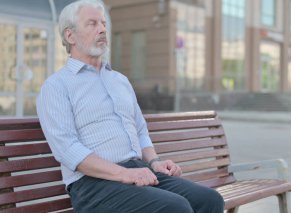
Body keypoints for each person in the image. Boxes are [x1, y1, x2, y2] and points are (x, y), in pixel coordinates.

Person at [36, 0, 224, 212]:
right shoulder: (56, 86)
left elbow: (140, 129)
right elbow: (68, 150)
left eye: (103, 23)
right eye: (92, 24)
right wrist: (124, 174)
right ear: (70, 36)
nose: (102, 29)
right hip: (93, 184)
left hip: (139, 171)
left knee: (210, 199)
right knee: (176, 208)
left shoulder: (120, 81)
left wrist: (154, 162)